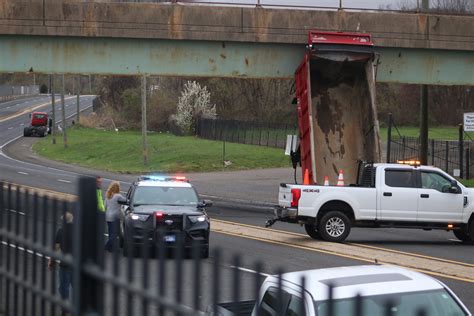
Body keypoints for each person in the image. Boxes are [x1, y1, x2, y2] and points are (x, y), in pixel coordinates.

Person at [48, 210, 74, 302]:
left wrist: (51, 262)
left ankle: (66, 309)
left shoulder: (61, 231)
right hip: (77, 264)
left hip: (65, 264)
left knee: (63, 288)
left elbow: (55, 249)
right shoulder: (79, 231)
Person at [105, 181, 126, 252]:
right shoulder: (118, 196)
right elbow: (126, 201)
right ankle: (106, 246)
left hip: (108, 217)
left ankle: (110, 248)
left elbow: (105, 206)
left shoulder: (108, 195)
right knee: (114, 234)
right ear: (117, 188)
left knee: (111, 233)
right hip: (115, 217)